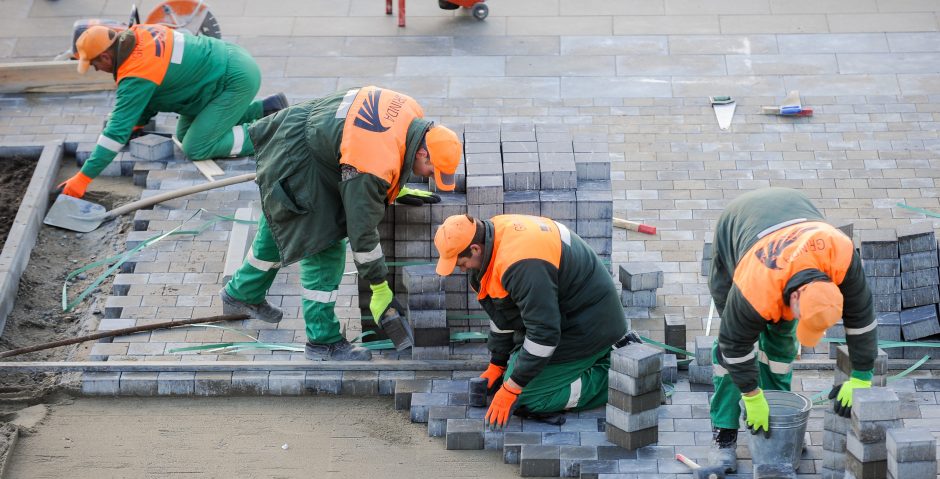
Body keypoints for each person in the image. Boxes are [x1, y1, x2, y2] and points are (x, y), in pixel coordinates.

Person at [221, 86, 461, 361]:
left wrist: (395, 186)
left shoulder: (410, 108)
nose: (431, 177)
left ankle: (241, 293)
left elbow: (387, 144)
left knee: (282, 217)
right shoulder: (372, 163)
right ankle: (323, 342)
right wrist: (380, 288)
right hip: (302, 162)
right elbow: (362, 232)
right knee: (324, 245)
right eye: (433, 171)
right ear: (423, 154)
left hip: (299, 135)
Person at [707, 187, 877, 472]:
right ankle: (724, 434)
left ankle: (778, 421)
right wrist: (751, 395)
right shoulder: (755, 287)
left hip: (796, 215)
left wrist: (861, 375)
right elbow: (733, 345)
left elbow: (862, 320)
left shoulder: (843, 256)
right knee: (734, 355)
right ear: (796, 297)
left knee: (780, 350)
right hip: (738, 228)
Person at [433, 213, 628, 427]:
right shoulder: (493, 240)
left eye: (461, 263)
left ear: (475, 249)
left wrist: (511, 389)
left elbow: (544, 336)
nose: (462, 269)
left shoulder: (521, 265)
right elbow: (504, 313)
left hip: (590, 325)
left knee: (528, 398)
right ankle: (590, 361)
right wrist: (497, 364)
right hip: (563, 315)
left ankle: (618, 377)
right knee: (517, 372)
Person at [59, 23, 287, 199]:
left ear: (106, 56)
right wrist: (137, 122)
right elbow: (151, 97)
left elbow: (114, 134)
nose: (96, 69)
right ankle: (267, 108)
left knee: (197, 146)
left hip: (233, 81)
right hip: (225, 64)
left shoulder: (137, 73)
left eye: (94, 64)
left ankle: (272, 132)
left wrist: (83, 178)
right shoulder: (137, 33)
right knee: (183, 135)